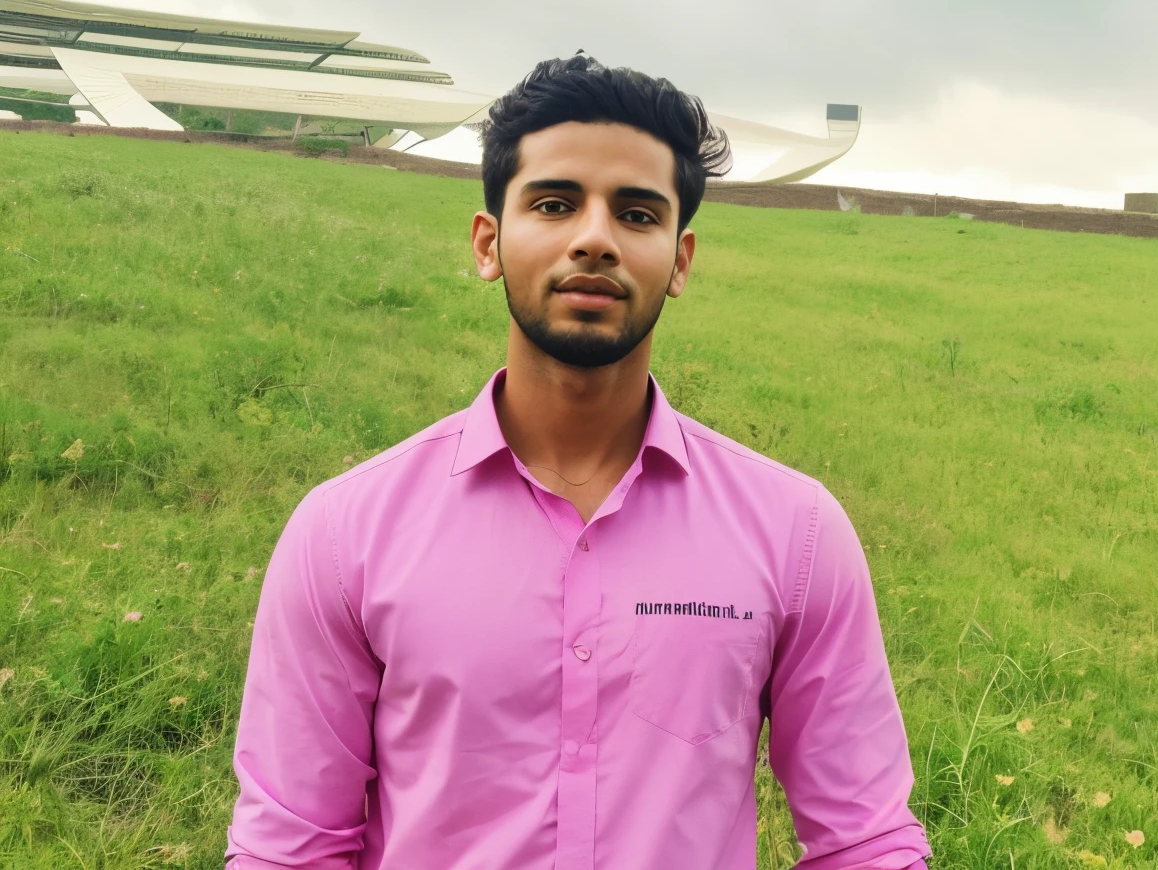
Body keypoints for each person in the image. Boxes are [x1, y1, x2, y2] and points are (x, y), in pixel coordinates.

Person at [226, 55, 931, 870]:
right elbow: (290, 848)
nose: (594, 239)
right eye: (555, 204)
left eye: (636, 214)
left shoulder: (796, 534)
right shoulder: (345, 533)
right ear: (489, 243)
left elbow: (865, 841)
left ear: (680, 261)